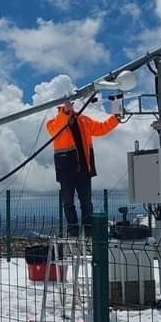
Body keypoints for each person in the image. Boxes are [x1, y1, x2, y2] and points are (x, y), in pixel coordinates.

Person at [46, 99, 121, 237]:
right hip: (66, 170)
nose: (69, 107)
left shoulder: (84, 120)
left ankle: (89, 230)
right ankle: (73, 229)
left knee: (86, 203)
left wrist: (116, 115)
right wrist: (65, 113)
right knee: (68, 202)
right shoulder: (53, 123)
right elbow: (57, 128)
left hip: (83, 169)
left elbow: (102, 128)